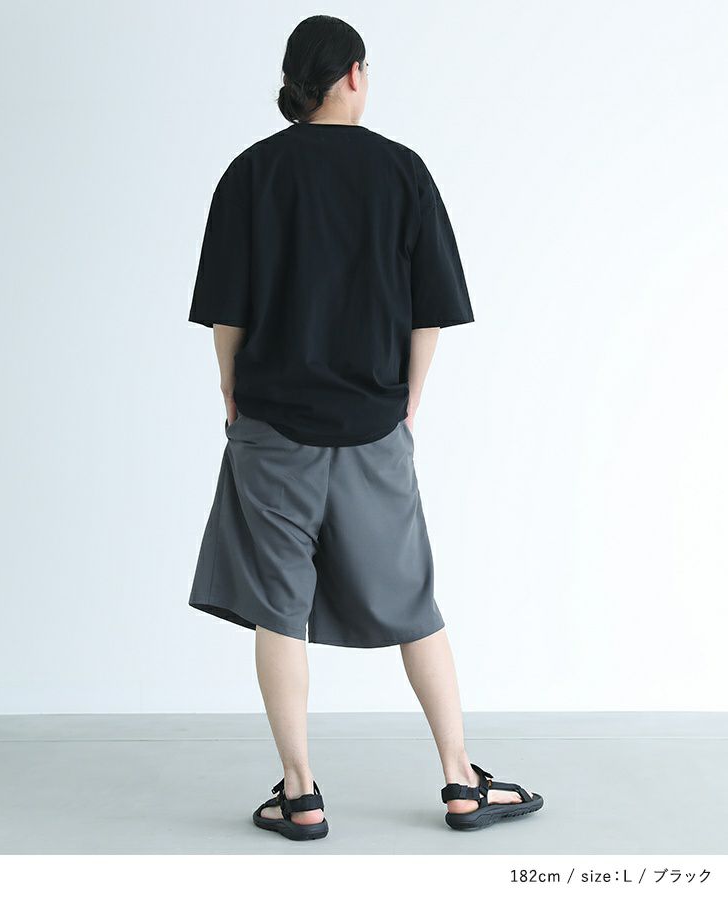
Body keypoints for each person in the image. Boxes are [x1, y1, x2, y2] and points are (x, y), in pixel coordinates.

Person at [187, 15, 542, 840]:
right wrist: (408, 398)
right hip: (373, 422)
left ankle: (301, 794)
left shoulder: (251, 172)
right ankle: (461, 781)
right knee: (413, 597)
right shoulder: (401, 170)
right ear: (353, 74)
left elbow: (227, 309)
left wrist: (230, 387)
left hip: (271, 423)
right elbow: (431, 310)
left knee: (279, 608)